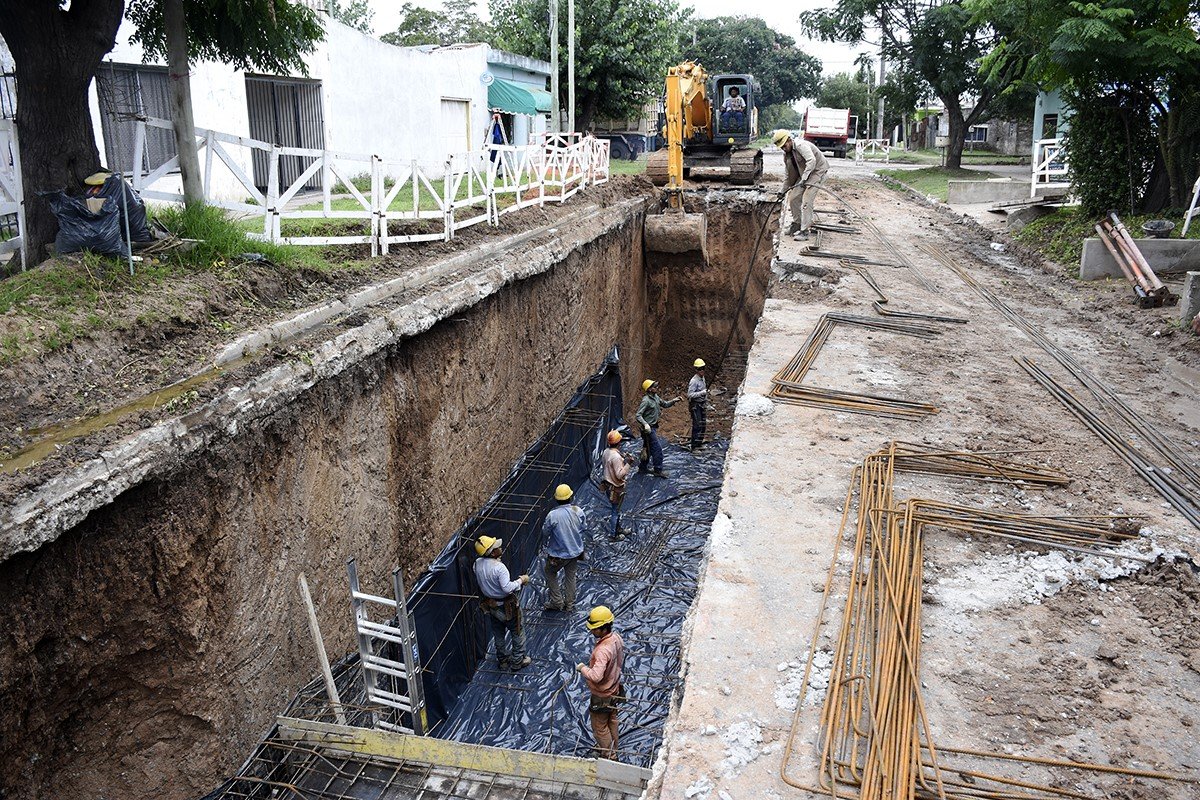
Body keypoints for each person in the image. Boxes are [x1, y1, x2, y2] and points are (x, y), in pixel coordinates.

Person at [473, 535, 531, 671]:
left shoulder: (477, 563)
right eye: (497, 547)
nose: (500, 548)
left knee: (498, 633)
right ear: (492, 553)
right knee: (517, 632)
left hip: (491, 605)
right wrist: (521, 581)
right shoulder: (499, 568)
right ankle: (517, 661)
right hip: (507, 606)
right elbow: (506, 588)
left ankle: (503, 661)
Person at [576, 605, 625, 760]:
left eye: (595, 628)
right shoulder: (616, 638)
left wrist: (583, 668)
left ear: (604, 628)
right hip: (614, 688)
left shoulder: (602, 650)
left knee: (599, 727)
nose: (592, 631)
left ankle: (609, 755)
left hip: (602, 694)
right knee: (612, 719)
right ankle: (613, 748)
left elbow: (596, 676)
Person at [773, 129, 829, 240]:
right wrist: (782, 191)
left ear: (789, 140)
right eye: (781, 147)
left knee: (806, 201)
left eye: (784, 146)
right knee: (793, 198)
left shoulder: (801, 145)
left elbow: (811, 161)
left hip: (817, 172)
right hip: (804, 174)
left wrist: (804, 179)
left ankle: (804, 231)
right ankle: (797, 224)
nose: (783, 149)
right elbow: (788, 176)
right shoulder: (787, 155)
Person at [542, 484, 586, 612]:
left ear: (556, 499)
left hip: (558, 555)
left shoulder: (552, 515)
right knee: (570, 577)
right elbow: (583, 527)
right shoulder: (578, 511)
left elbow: (545, 532)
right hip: (575, 552)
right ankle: (570, 604)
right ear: (570, 497)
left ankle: (557, 602)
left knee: (550, 573)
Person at [636, 379, 679, 478]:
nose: (656, 388)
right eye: (654, 387)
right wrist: (645, 424)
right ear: (649, 389)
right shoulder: (646, 401)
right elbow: (638, 415)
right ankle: (658, 470)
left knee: (648, 448)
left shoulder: (655, 397)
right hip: (648, 430)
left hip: (653, 427)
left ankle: (642, 467)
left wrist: (673, 401)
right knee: (657, 449)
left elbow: (664, 404)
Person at [599, 430, 636, 540]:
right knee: (615, 511)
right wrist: (628, 463)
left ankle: (618, 528)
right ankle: (613, 535)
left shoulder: (606, 451)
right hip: (614, 487)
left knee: (616, 509)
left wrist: (623, 458)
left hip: (608, 484)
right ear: (619, 442)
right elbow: (620, 475)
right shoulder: (616, 457)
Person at [687, 358, 708, 451]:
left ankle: (699, 443)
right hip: (695, 405)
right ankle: (694, 446)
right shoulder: (694, 381)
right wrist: (701, 393)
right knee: (697, 426)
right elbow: (690, 395)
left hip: (702, 404)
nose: (702, 370)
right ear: (696, 370)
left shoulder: (702, 378)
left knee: (703, 425)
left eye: (703, 368)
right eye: (699, 369)